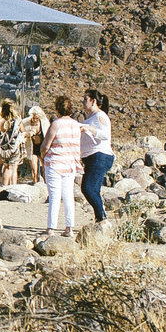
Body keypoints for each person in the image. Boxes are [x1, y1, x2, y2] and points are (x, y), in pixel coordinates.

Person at [40, 94, 84, 235]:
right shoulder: (76, 125)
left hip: (54, 163)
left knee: (54, 196)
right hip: (69, 163)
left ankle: (51, 227)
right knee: (68, 196)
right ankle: (69, 227)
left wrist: (43, 156)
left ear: (57, 109)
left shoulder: (56, 124)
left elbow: (45, 146)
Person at [78, 90, 115, 224]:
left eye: (85, 99)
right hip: (91, 157)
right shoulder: (90, 118)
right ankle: (99, 219)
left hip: (99, 155)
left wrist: (88, 129)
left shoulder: (100, 116)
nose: (83, 101)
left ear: (93, 101)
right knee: (94, 189)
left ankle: (102, 216)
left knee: (87, 188)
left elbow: (105, 134)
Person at [0, 101, 23, 188]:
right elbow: (22, 131)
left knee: (6, 167)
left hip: (3, 149)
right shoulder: (16, 122)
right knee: (13, 168)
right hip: (13, 148)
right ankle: (13, 187)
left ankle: (4, 187)